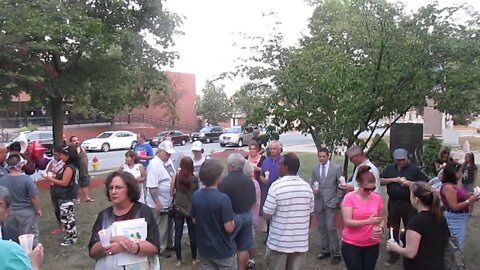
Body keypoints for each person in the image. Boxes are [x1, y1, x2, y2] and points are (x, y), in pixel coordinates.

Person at [89, 171, 160, 269]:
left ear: (129, 189)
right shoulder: (104, 215)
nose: (113, 191)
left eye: (118, 187)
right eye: (111, 188)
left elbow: (155, 247)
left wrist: (132, 247)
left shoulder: (143, 211)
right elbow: (93, 252)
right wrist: (109, 240)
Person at [262, 152, 314, 270]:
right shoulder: (307, 187)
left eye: (279, 165)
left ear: (285, 168)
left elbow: (267, 214)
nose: (277, 167)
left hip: (279, 243)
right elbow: (311, 215)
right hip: (300, 243)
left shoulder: (276, 186)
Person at [380, 148, 429, 265]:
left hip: (408, 203)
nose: (401, 162)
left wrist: (409, 183)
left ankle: (409, 249)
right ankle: (394, 252)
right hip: (394, 202)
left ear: (407, 158)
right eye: (398, 160)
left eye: (403, 160)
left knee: (410, 226)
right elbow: (380, 180)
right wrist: (394, 180)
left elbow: (425, 183)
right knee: (393, 226)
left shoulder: (414, 170)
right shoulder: (390, 169)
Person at [386, 182, 450, 270]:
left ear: (416, 199)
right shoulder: (439, 217)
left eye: (411, 194)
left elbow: (411, 253)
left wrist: (396, 248)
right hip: (438, 264)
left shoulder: (416, 222)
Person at [191, 159, 236, 269]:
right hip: (222, 250)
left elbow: (194, 220)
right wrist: (233, 221)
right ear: (218, 177)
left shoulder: (196, 195)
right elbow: (229, 228)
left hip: (204, 250)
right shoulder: (223, 199)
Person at [341, 165, 384, 270]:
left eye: (373, 189)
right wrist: (367, 221)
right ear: (359, 185)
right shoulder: (349, 198)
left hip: (372, 244)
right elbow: (347, 222)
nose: (370, 192)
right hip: (352, 244)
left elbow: (380, 218)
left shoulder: (377, 198)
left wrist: (380, 228)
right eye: (367, 189)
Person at [219, 154, 256, 270]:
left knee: (227, 245)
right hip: (246, 215)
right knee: (244, 247)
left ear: (231, 166)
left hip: (232, 218)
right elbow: (253, 201)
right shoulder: (249, 181)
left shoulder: (224, 182)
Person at [311, 147, 343, 265]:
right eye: (320, 156)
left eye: (324, 156)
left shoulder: (336, 168)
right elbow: (313, 182)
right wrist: (314, 190)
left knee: (331, 228)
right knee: (322, 228)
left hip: (331, 202)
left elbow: (341, 186)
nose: (321, 158)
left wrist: (336, 200)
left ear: (328, 156)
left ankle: (336, 253)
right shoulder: (315, 168)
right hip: (319, 202)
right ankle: (325, 250)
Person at [0, 154, 41, 245]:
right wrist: (38, 209)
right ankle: (31, 253)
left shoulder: (2, 180)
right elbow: (33, 197)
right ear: (20, 165)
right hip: (26, 212)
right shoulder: (26, 179)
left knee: (10, 235)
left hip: (8, 213)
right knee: (30, 234)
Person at [145, 140, 176, 258]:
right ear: (160, 151)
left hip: (168, 201)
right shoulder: (154, 165)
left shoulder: (167, 161)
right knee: (160, 226)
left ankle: (169, 244)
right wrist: (158, 203)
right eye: (167, 153)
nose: (169, 155)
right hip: (159, 203)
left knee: (169, 225)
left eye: (170, 153)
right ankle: (160, 248)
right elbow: (152, 187)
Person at [44, 145, 79, 246]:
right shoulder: (66, 166)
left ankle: (72, 237)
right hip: (63, 195)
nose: (61, 157)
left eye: (63, 155)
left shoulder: (69, 167)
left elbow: (64, 183)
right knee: (66, 217)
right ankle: (70, 235)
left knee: (68, 217)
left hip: (66, 196)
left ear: (69, 156)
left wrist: (50, 179)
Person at [440, 162, 479, 250]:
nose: (462, 174)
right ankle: (455, 262)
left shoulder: (454, 185)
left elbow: (457, 197)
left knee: (459, 241)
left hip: (460, 217)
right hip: (455, 219)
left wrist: (469, 195)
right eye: (461, 171)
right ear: (454, 173)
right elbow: (454, 206)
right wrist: (470, 200)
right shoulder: (448, 187)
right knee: (457, 244)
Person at [170, 156, 199, 267]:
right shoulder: (194, 178)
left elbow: (171, 193)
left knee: (178, 234)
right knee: (193, 235)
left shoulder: (177, 177)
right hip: (191, 209)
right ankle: (194, 259)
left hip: (178, 208)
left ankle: (178, 259)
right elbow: (197, 194)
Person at [260, 140, 282, 233]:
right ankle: (269, 234)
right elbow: (261, 174)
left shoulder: (283, 161)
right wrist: (262, 179)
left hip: (279, 191)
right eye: (271, 149)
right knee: (268, 213)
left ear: (280, 150)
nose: (272, 150)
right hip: (267, 191)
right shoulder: (265, 161)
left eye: (274, 149)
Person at [243, 161, 260, 269]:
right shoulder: (255, 183)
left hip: (249, 215)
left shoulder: (251, 184)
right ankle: (250, 259)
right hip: (253, 215)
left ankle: (250, 259)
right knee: (250, 239)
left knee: (248, 240)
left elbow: (251, 201)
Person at [47, 146, 66, 235]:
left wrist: (53, 177)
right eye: (54, 155)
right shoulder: (53, 162)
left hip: (61, 189)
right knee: (56, 208)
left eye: (57, 155)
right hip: (53, 187)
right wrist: (49, 174)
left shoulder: (65, 164)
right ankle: (60, 226)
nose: (55, 157)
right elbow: (49, 170)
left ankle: (66, 226)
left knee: (62, 207)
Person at [70, 136, 93, 203]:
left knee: (85, 184)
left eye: (77, 140)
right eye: (74, 141)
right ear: (71, 142)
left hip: (84, 170)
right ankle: (77, 199)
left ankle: (86, 198)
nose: (76, 142)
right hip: (77, 171)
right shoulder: (72, 150)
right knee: (77, 185)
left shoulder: (81, 148)